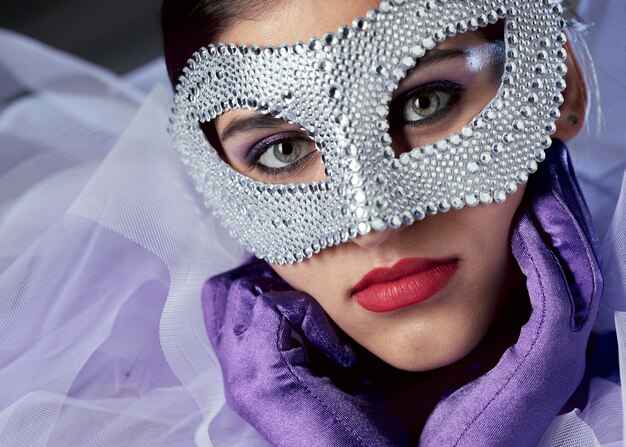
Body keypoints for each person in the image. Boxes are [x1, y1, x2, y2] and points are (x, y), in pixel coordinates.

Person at [0, 0, 624, 446]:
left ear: (560, 86)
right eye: (283, 150)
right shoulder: (108, 422)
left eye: (424, 103)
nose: (373, 223)